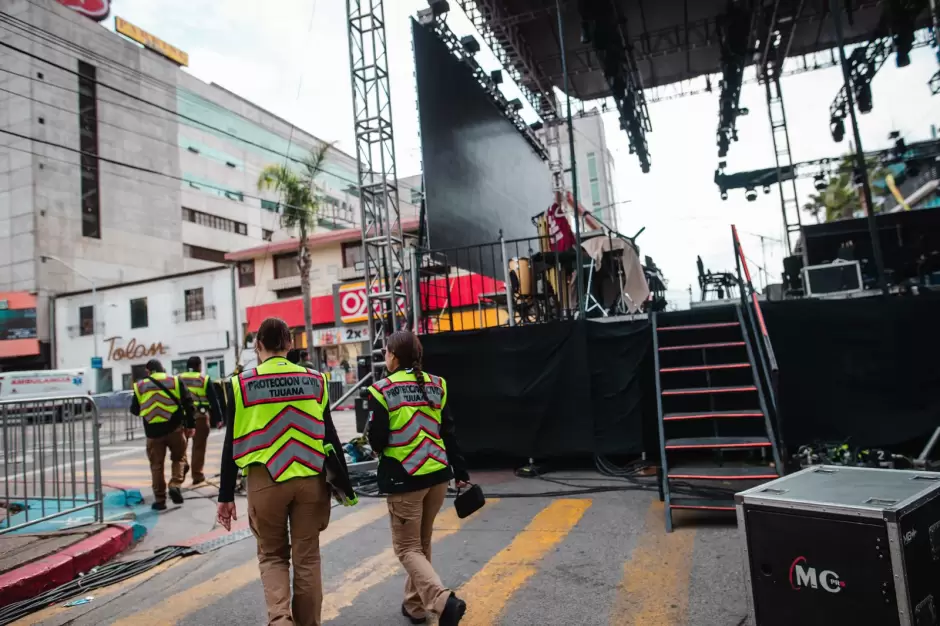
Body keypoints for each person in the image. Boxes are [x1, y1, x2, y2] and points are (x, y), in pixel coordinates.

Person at [217, 317, 351, 626]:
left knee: (273, 555)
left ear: (258, 345)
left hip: (265, 480)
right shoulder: (316, 380)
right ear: (290, 345)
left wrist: (225, 496)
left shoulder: (241, 384)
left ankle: (280, 621)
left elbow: (230, 444)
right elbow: (329, 434)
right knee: (307, 559)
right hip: (310, 478)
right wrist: (345, 483)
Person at [367, 330, 470, 626]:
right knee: (421, 543)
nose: (385, 357)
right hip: (437, 476)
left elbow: (377, 440)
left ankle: (442, 600)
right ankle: (414, 606)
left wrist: (376, 444)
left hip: (405, 478)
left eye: (386, 352)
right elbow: (448, 431)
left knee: (406, 548)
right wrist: (460, 472)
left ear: (394, 356)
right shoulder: (438, 384)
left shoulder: (381, 389)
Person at [130, 359, 195, 511]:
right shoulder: (175, 381)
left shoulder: (140, 386)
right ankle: (175, 484)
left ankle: (160, 500)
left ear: (148, 371)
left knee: (156, 466)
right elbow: (188, 403)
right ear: (162, 369)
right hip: (174, 429)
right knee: (179, 458)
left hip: (153, 433)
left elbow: (134, 409)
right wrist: (191, 425)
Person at [178, 356, 224, 485]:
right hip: (200, 417)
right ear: (199, 366)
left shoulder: (178, 379)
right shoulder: (204, 379)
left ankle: (182, 469)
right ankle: (197, 475)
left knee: (181, 447)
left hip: (182, 418)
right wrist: (219, 419)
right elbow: (214, 400)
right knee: (198, 447)